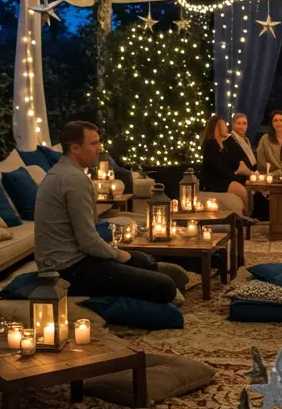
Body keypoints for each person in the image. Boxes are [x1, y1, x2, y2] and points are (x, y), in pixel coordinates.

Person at [34, 120, 180, 303]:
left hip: (72, 260)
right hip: (69, 270)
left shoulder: (61, 172)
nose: (99, 149)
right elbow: (88, 241)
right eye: (93, 143)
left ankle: (150, 270)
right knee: (165, 286)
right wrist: (120, 255)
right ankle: (158, 279)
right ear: (75, 148)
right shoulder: (74, 179)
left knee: (140, 260)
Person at [200, 115, 252, 209]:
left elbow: (236, 160)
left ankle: (247, 212)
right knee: (240, 189)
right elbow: (219, 170)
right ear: (217, 128)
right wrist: (235, 177)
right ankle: (246, 213)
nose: (227, 128)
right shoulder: (211, 146)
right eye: (224, 125)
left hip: (223, 178)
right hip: (213, 181)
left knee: (246, 187)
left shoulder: (224, 145)